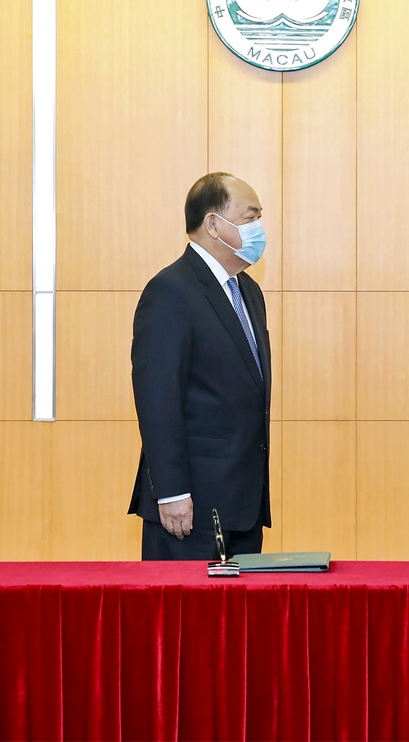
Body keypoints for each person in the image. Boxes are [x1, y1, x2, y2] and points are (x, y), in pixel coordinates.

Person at [129, 173, 272, 561]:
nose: (258, 230)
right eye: (250, 218)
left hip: (243, 506)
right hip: (189, 510)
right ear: (213, 224)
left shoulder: (248, 291)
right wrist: (171, 492)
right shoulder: (171, 290)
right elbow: (158, 399)